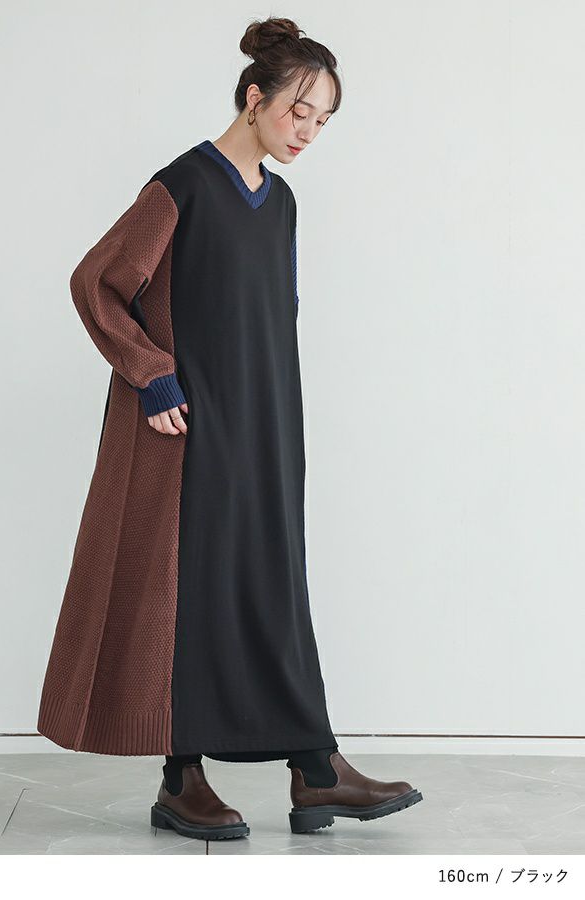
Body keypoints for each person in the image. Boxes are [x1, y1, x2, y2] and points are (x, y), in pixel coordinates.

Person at [37, 15, 423, 841]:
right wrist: (152, 374)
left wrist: (274, 416)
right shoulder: (181, 186)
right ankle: (183, 779)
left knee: (270, 586)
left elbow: (272, 316)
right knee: (186, 590)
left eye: (323, 121)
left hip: (265, 424)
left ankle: (313, 770)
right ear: (254, 98)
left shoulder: (279, 203)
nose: (308, 132)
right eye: (298, 111)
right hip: (185, 430)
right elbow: (96, 283)